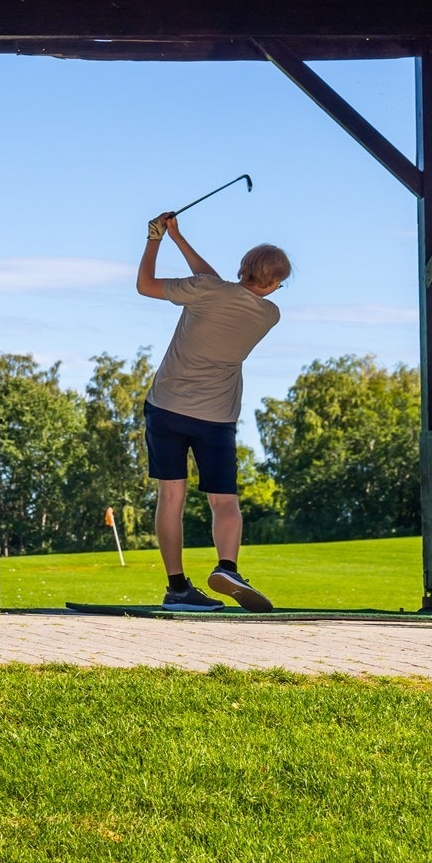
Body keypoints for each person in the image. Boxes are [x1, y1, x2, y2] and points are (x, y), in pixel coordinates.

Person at [137, 212, 291, 613]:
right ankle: (227, 567)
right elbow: (216, 284)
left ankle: (176, 588)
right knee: (224, 502)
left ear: (241, 269)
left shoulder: (205, 290)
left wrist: (155, 239)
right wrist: (178, 237)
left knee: (171, 496)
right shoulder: (269, 314)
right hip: (216, 417)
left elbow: (146, 286)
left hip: (165, 407)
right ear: (273, 285)